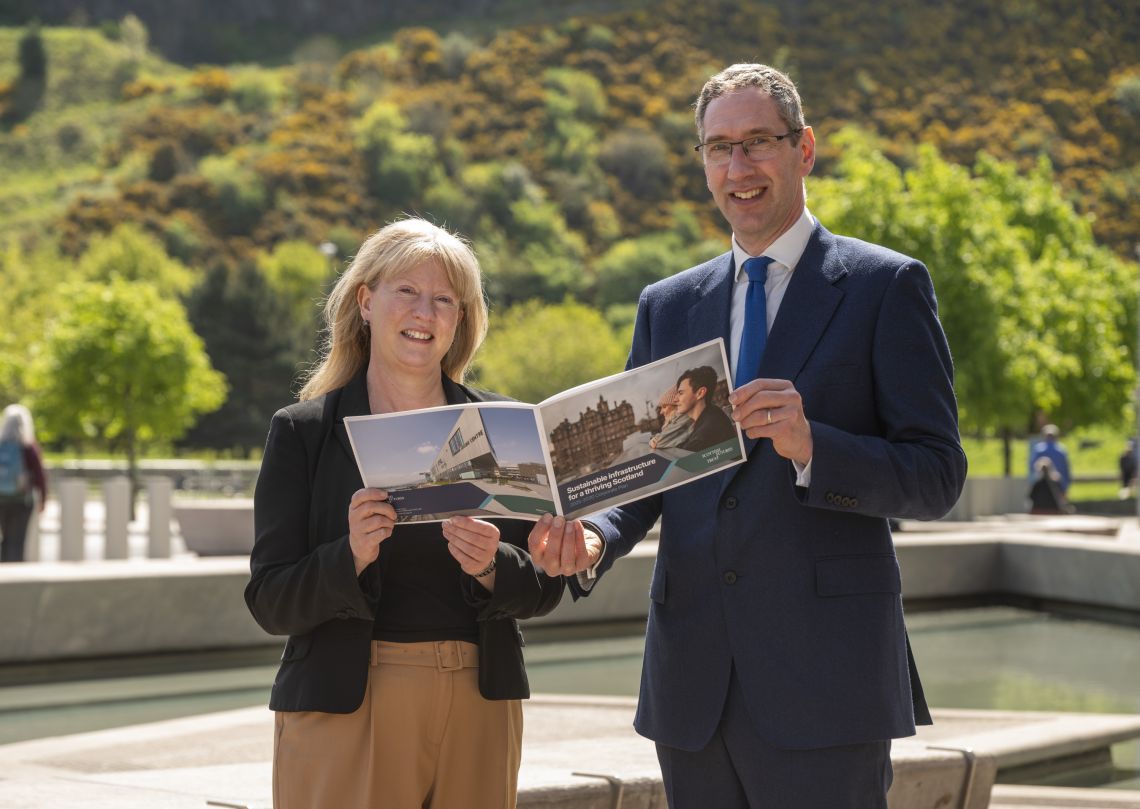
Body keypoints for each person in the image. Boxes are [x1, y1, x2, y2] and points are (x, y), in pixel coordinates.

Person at [530, 63, 966, 808]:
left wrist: (811, 446)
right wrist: (596, 536)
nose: (738, 167)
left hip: (829, 684)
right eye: (718, 147)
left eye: (758, 142)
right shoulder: (666, 306)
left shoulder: (884, 287)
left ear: (804, 149)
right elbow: (646, 470)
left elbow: (936, 474)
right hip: (693, 685)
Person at [244, 217, 565, 809]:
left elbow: (543, 589)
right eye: (407, 292)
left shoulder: (504, 428)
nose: (426, 311)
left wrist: (495, 566)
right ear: (366, 301)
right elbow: (268, 599)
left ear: (459, 320)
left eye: (445, 299)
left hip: (481, 703)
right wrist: (350, 557)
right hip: (349, 705)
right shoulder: (303, 433)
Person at [0, 404, 47, 563]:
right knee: (17, 540)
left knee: (5, 540)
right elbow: (40, 476)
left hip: (1, 499)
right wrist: (43, 500)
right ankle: (15, 578)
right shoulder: (28, 447)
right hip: (22, 500)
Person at [673, 366, 736, 452]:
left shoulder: (704, 435)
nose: (675, 399)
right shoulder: (713, 413)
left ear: (700, 393)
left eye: (681, 393)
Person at [1028, 424, 1071, 496]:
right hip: (1058, 486)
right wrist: (1065, 487)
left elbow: (1032, 468)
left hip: (1040, 487)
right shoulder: (1061, 450)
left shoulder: (1038, 449)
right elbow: (1066, 471)